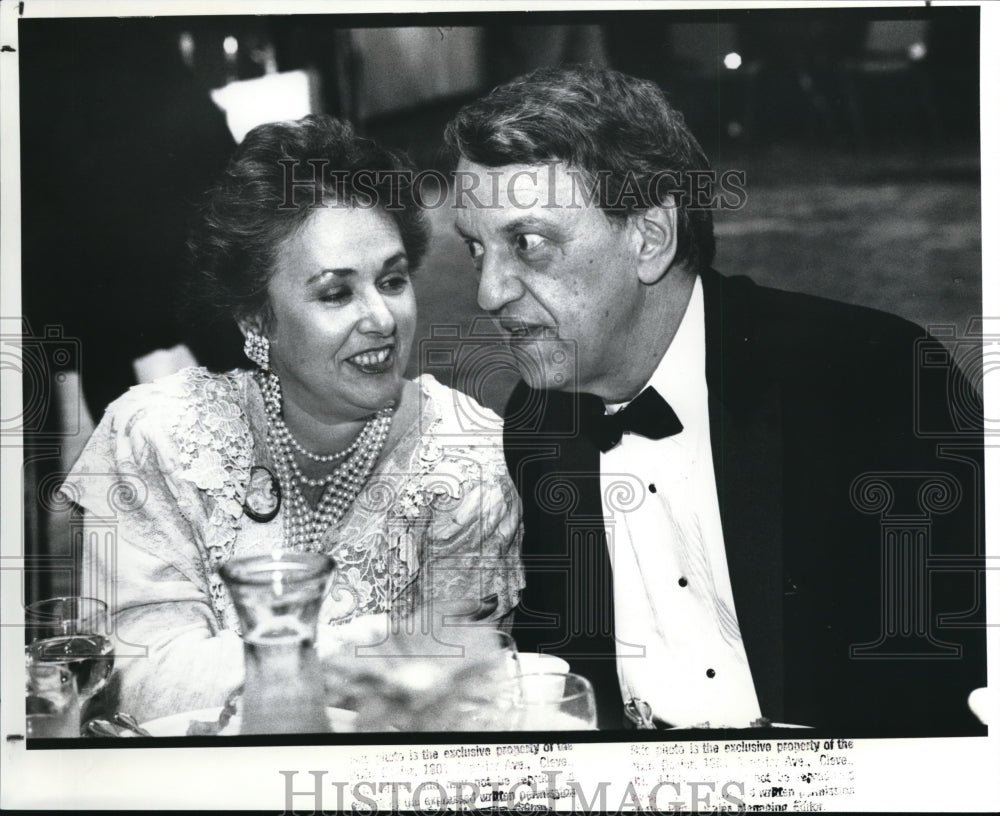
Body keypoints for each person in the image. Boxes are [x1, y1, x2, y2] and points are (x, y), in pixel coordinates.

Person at [444, 66, 985, 733]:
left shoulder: (874, 380)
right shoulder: (539, 422)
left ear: (650, 237)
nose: (489, 293)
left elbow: (946, 690)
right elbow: (567, 675)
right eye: (476, 249)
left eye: (527, 244)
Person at [61, 114, 523, 723]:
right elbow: (135, 675)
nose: (381, 319)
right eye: (336, 293)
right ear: (255, 319)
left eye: (392, 280)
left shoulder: (468, 462)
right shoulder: (158, 436)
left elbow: (457, 690)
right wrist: (354, 660)